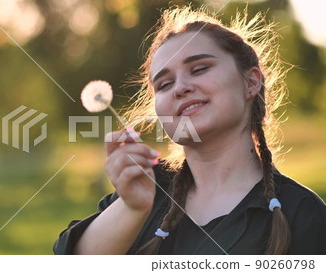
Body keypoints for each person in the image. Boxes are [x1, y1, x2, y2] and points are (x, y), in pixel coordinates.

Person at [54, 5, 326, 255]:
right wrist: (132, 208)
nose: (180, 87)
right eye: (164, 84)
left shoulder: (302, 213)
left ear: (251, 82)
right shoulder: (142, 190)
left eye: (199, 69)